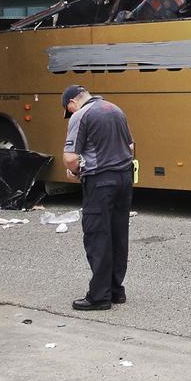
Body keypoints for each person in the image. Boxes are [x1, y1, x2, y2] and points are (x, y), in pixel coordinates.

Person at [62, 84, 136, 311]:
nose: (70, 115)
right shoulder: (115, 109)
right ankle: (116, 290)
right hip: (124, 179)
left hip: (100, 182)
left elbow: (70, 158)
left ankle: (99, 296)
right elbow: (131, 146)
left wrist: (75, 172)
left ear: (72, 102)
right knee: (118, 234)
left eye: (69, 110)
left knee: (98, 236)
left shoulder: (81, 115)